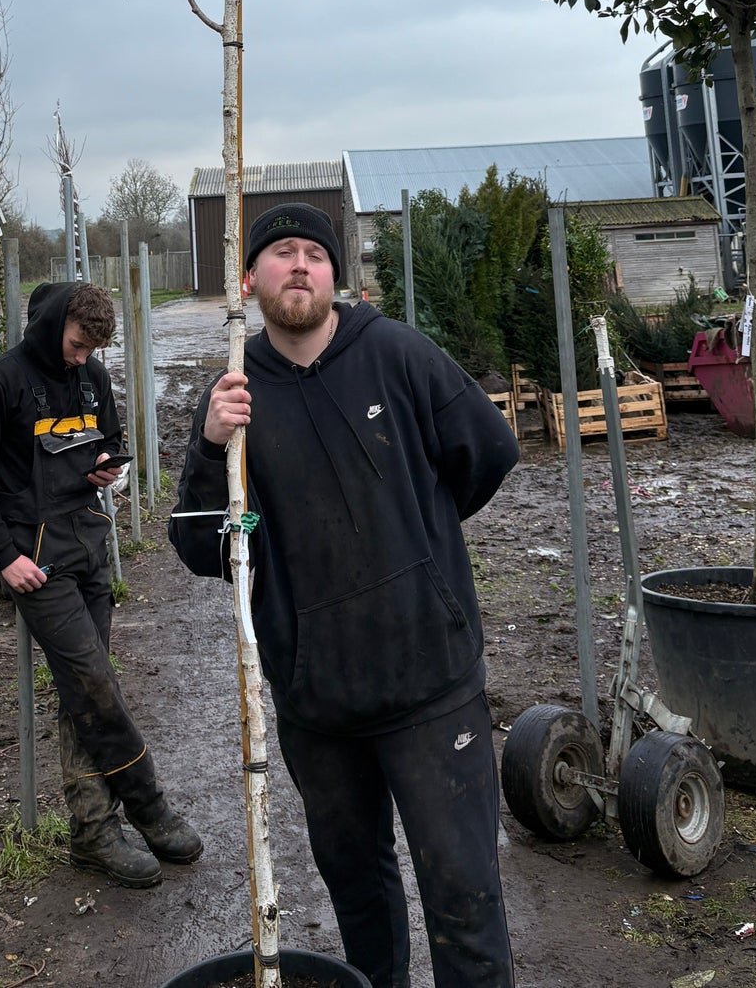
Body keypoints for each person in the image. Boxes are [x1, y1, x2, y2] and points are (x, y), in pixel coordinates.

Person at [170, 203, 520, 988]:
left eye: (314, 254)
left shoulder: (396, 353)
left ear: (336, 273)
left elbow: (489, 452)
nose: (299, 266)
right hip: (316, 701)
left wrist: (418, 542)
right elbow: (202, 548)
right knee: (360, 898)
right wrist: (209, 447)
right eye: (281, 254)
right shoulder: (233, 395)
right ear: (250, 278)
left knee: (463, 895)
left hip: (429, 683)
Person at [0, 279, 202, 887]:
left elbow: (109, 440)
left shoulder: (91, 379)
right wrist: (6, 556)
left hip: (89, 545)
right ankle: (148, 806)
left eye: (92, 347)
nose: (82, 356)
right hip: (36, 561)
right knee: (93, 680)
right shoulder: (0, 383)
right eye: (75, 344)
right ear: (50, 327)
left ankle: (93, 832)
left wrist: (107, 468)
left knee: (85, 688)